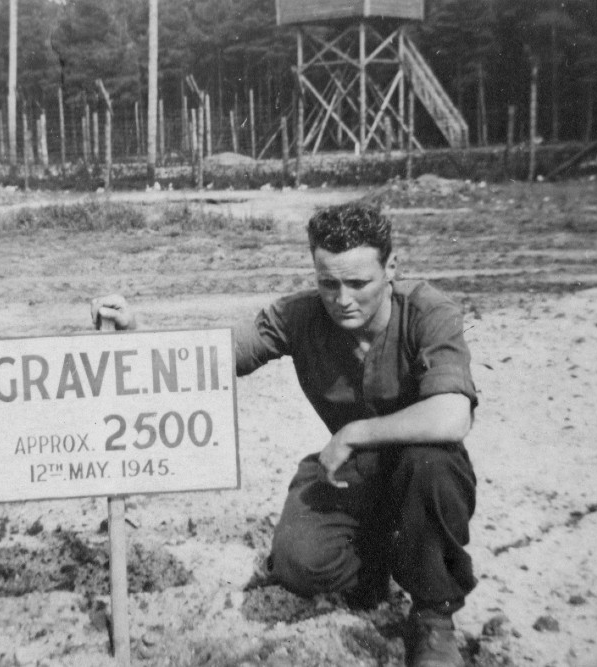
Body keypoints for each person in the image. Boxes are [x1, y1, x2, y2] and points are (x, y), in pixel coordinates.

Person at [92, 201, 477, 667]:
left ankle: (434, 618)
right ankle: (384, 563)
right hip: (349, 473)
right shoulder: (300, 316)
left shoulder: (427, 312)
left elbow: (452, 415)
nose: (342, 299)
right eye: (327, 282)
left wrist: (355, 431)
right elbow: (213, 356)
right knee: (298, 565)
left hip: (419, 469)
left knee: (433, 462)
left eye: (359, 283)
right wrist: (137, 332)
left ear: (392, 267)